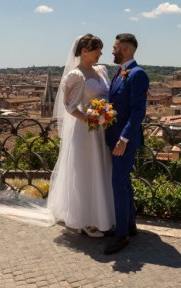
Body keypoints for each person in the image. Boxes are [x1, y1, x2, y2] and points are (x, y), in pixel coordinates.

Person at [47, 34, 115, 237]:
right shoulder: (75, 75)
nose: (101, 54)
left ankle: (102, 216)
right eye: (97, 50)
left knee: (101, 169)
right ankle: (86, 220)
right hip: (85, 131)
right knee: (86, 171)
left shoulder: (101, 70)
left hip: (102, 129)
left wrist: (105, 115)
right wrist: (90, 119)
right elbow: (69, 107)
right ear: (85, 51)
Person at [104, 33, 149, 255]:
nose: (112, 51)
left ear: (126, 49)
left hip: (124, 141)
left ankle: (121, 236)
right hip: (114, 138)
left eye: (114, 47)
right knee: (124, 183)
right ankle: (130, 225)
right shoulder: (118, 74)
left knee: (118, 186)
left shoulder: (137, 74)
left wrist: (123, 139)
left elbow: (138, 111)